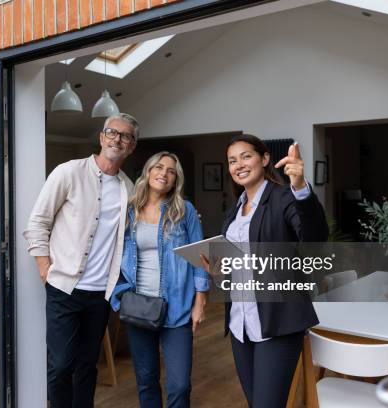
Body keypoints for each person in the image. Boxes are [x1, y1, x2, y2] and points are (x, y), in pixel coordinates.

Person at [200, 134, 328, 408]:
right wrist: (220, 271)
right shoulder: (235, 210)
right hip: (240, 324)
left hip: (278, 322)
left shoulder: (284, 197)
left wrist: (301, 188)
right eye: (232, 160)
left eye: (246, 156)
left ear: (265, 159)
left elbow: (314, 238)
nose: (239, 165)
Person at [23, 113, 139, 408]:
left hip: (101, 293)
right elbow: (37, 223)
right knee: (61, 364)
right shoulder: (69, 172)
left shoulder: (129, 188)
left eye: (125, 136)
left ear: (132, 146)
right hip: (64, 288)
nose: (117, 139)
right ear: (101, 138)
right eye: (112, 132)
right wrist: (44, 270)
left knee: (88, 365)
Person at [111, 151, 209, 408]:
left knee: (179, 385)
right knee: (146, 379)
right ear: (148, 171)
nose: (163, 173)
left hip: (177, 308)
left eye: (171, 171)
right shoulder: (128, 210)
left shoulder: (185, 210)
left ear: (176, 179)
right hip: (139, 306)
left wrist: (200, 302)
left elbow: (201, 257)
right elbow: (112, 252)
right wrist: (118, 296)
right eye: (158, 167)